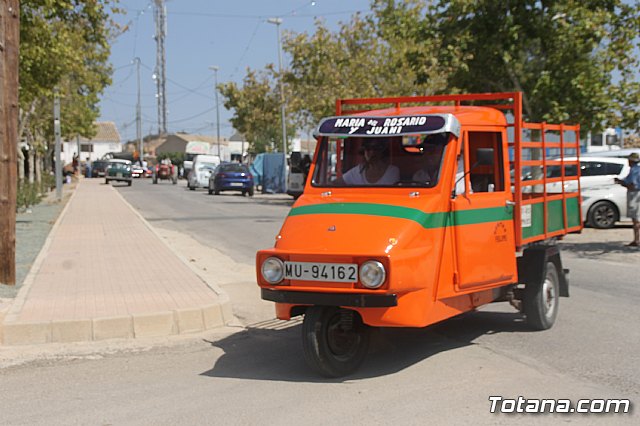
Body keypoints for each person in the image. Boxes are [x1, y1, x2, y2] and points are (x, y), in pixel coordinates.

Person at [614, 152, 640, 246]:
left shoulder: (634, 171)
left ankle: (636, 240)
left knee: (636, 218)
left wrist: (621, 183)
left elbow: (632, 185)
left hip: (634, 194)